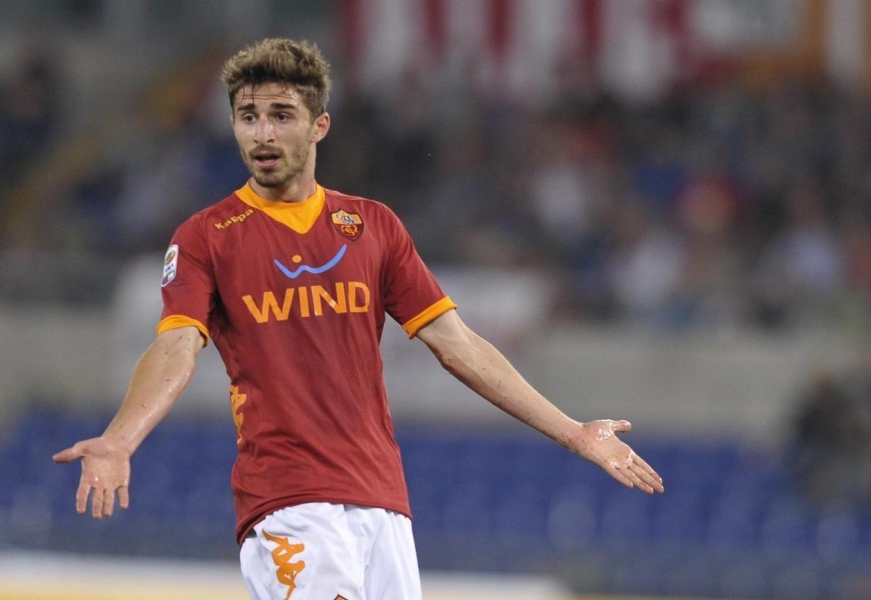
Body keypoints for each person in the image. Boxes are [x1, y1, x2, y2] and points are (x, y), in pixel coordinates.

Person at [53, 38, 664, 600]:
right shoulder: (206, 236)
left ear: (319, 125)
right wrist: (121, 438)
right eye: (248, 117)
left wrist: (574, 431)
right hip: (287, 500)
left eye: (281, 116)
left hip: (382, 502)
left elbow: (458, 346)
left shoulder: (372, 226)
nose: (262, 133)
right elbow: (176, 347)